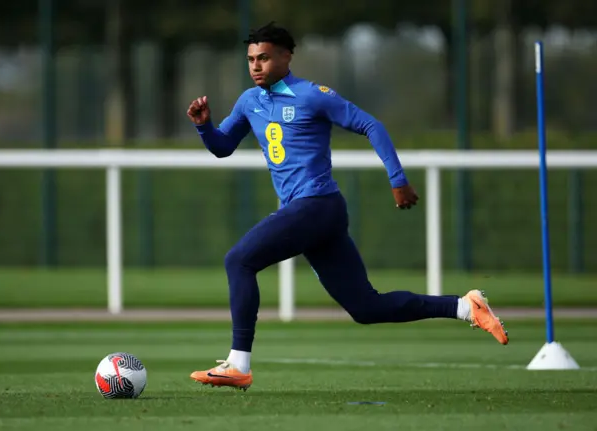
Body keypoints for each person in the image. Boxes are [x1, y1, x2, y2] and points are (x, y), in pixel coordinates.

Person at [185, 22, 508, 391]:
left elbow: (371, 125)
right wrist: (204, 127)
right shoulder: (249, 101)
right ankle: (466, 307)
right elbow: (223, 147)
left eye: (264, 58)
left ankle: (238, 364)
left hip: (318, 205)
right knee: (366, 309)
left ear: (286, 57)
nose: (256, 66)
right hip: (313, 214)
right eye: (250, 59)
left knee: (238, 260)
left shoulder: (312, 96)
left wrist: (397, 178)